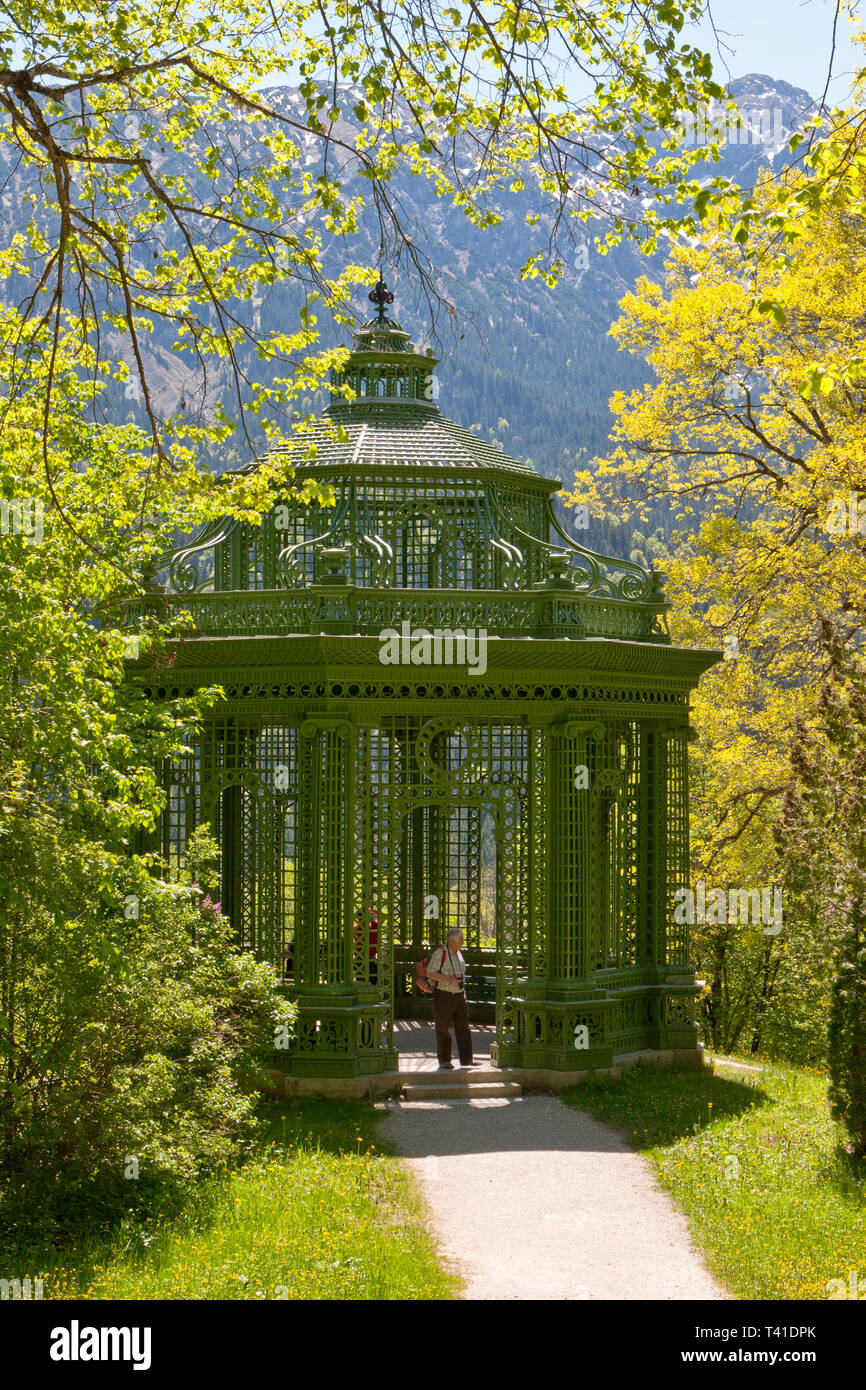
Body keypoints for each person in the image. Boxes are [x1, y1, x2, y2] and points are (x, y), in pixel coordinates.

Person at [426, 927, 473, 1070]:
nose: (463, 941)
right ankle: (444, 1060)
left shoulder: (458, 953)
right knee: (443, 1028)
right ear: (453, 941)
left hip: (459, 995)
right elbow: (430, 973)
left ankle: (466, 1060)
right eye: (462, 939)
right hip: (444, 995)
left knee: (463, 1027)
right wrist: (448, 979)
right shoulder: (440, 953)